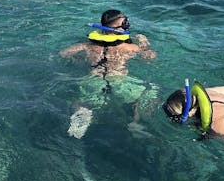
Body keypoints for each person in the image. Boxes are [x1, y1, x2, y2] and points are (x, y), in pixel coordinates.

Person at [59, 9, 157, 138]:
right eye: (125, 24)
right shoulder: (129, 48)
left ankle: (81, 116)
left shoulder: (87, 45)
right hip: (120, 81)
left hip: (93, 80)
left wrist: (78, 61)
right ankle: (134, 123)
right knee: (148, 92)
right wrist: (144, 43)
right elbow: (150, 57)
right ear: (117, 28)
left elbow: (63, 54)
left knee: (82, 102)